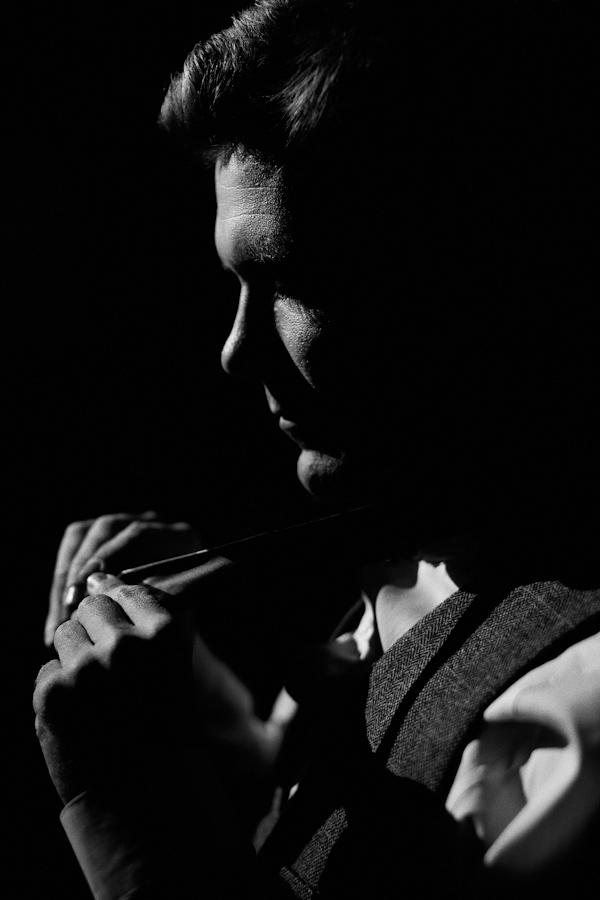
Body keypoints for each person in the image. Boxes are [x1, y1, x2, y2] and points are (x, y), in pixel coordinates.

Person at [34, 1, 599, 897]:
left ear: (467, 272)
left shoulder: (572, 721)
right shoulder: (418, 563)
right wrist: (195, 702)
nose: (235, 350)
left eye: (291, 280)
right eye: (236, 285)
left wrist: (137, 820)